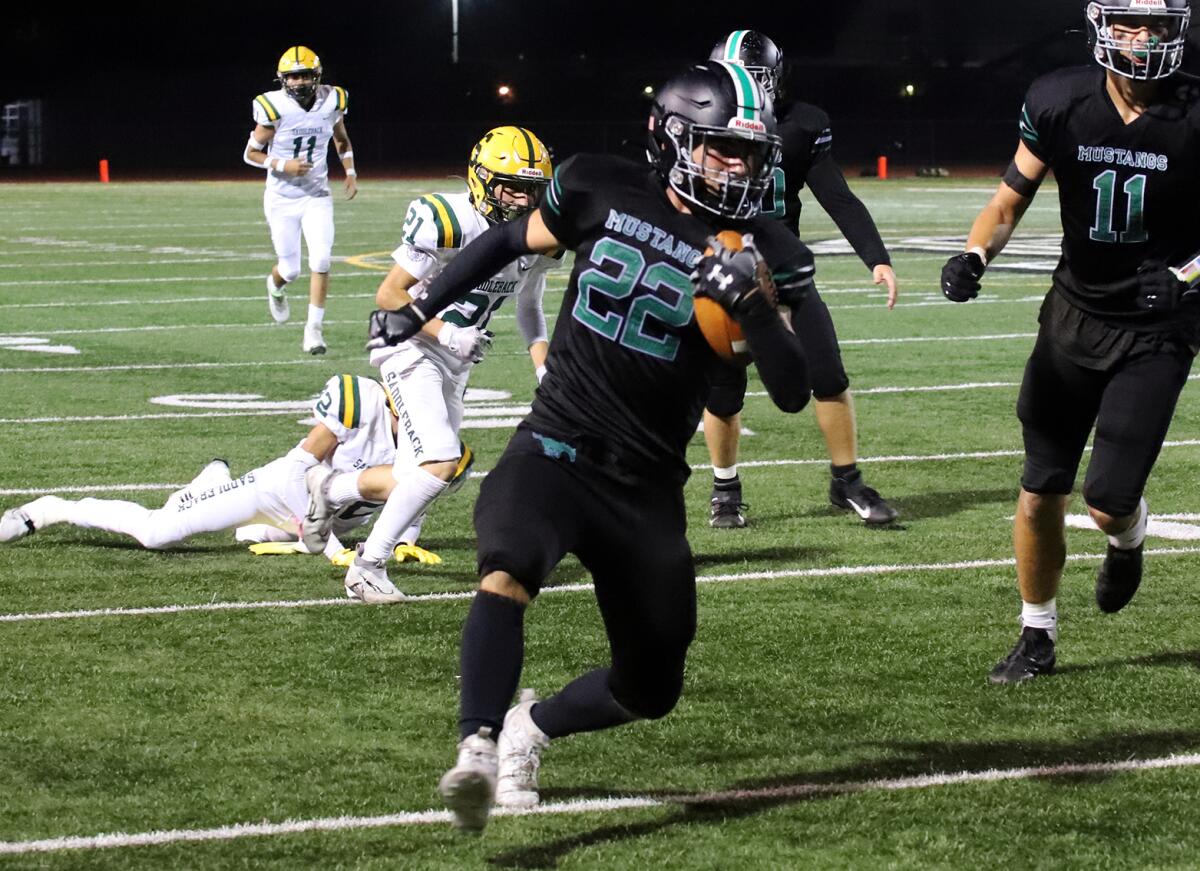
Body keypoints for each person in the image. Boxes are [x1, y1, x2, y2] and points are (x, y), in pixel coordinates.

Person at [373, 60, 813, 833]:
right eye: (721, 148)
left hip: (645, 483)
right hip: (558, 441)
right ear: (674, 138)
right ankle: (474, 746)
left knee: (652, 687)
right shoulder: (597, 185)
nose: (738, 166)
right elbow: (510, 237)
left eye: (749, 153)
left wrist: (751, 302)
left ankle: (529, 726)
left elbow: (790, 388)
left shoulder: (756, 248)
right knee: (506, 564)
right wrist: (420, 306)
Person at [941, 0, 1199, 683]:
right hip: (1071, 315)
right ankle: (1037, 634)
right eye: (1128, 24)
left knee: (1107, 500)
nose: (1142, 39)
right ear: (1101, 27)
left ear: (1178, 32)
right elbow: (1006, 201)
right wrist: (974, 255)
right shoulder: (1059, 99)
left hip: (1156, 327)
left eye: (1157, 26)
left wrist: (1187, 276)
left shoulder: (1195, 111)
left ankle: (1129, 535)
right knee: (1039, 487)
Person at [301, 126, 559, 603]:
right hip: (406, 341)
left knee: (413, 478)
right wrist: (447, 332)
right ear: (481, 179)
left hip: (454, 359)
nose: (523, 200)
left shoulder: (536, 234)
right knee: (442, 460)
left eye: (532, 189)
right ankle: (367, 567)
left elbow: (530, 305)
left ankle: (331, 488)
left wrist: (543, 367)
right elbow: (388, 295)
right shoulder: (450, 221)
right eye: (512, 186)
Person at [702, 30, 899, 528]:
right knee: (723, 392)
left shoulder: (802, 124)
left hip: (784, 269)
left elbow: (837, 196)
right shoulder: (702, 122)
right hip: (723, 270)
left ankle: (847, 480)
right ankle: (725, 490)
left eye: (754, 78)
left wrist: (876, 257)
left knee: (828, 375)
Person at [0, 375, 444, 569]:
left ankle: (214, 484)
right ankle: (49, 509)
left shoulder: (438, 429)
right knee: (158, 533)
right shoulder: (358, 398)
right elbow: (296, 472)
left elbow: (420, 487)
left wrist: (403, 540)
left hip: (329, 519)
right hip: (279, 495)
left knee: (249, 536)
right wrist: (329, 547)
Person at [244, 45, 357, 355]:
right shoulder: (274, 107)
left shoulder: (333, 100)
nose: (298, 82)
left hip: (317, 195)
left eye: (304, 75)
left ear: (316, 75)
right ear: (283, 79)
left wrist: (350, 171)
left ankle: (314, 331)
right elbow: (250, 154)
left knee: (321, 259)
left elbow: (341, 138)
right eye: (292, 77)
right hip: (282, 198)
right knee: (290, 270)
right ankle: (275, 286)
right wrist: (283, 164)